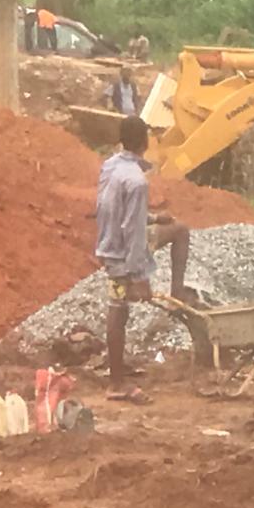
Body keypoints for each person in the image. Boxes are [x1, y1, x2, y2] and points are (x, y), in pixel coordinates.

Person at [95, 116, 194, 403]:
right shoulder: (137, 181)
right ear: (145, 142)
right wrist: (139, 276)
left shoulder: (111, 166)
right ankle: (116, 384)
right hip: (123, 252)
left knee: (179, 230)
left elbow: (112, 209)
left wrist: (152, 217)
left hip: (110, 244)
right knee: (118, 309)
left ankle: (177, 293)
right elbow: (132, 231)